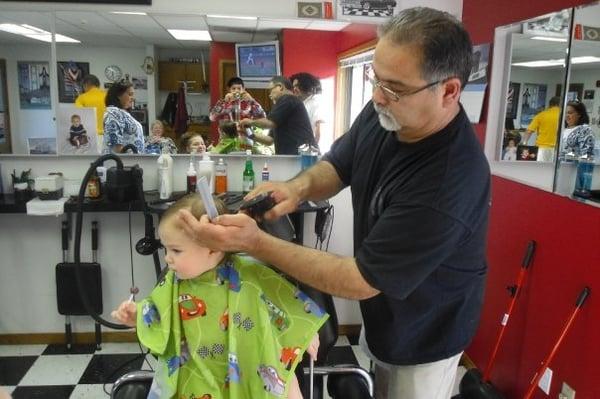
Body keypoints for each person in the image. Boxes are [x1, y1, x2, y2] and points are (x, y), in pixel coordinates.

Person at [178, 7, 491, 399]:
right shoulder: (388, 110)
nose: (378, 95)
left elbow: (360, 279)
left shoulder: (448, 182)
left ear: (448, 91)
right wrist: (296, 189)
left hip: (427, 335)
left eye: (393, 88)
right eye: (375, 78)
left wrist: (255, 243)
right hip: (385, 317)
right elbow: (339, 165)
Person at [111, 194, 325, 398]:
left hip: (249, 366)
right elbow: (157, 311)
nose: (168, 258)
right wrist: (137, 314)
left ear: (213, 248)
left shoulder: (249, 274)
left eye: (176, 250)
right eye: (165, 249)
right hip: (198, 373)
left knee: (286, 385)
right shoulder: (173, 282)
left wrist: (305, 335)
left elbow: (286, 305)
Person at [239, 76, 316, 155]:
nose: (269, 95)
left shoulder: (288, 98)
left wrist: (250, 122)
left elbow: (269, 123)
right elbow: (269, 140)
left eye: (270, 90)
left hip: (301, 156)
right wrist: (249, 133)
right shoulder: (283, 108)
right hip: (293, 156)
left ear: (280, 87)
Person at [561, 101, 595, 198]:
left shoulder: (584, 130)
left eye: (570, 113)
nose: (567, 116)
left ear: (579, 114)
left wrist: (566, 155)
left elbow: (587, 155)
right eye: (566, 113)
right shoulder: (565, 129)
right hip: (563, 172)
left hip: (576, 175)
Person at [103, 80, 144, 154]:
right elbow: (116, 145)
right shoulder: (114, 113)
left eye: (133, 95)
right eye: (130, 94)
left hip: (131, 161)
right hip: (122, 162)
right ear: (119, 95)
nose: (132, 98)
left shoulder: (123, 113)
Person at [290, 72, 325, 145]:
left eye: (297, 86)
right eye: (293, 87)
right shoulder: (304, 103)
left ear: (307, 85)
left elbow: (319, 130)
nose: (295, 89)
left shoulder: (316, 101)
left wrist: (314, 149)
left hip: (311, 151)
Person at [522, 96, 561, 162]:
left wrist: (524, 144)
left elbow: (529, 131)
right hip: (557, 149)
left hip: (541, 148)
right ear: (560, 104)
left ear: (550, 105)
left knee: (540, 169)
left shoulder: (541, 115)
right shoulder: (563, 116)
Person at [75, 74, 106, 150]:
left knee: (91, 161)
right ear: (97, 85)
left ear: (86, 85)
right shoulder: (107, 96)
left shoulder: (81, 98)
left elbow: (78, 118)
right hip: (107, 135)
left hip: (90, 136)